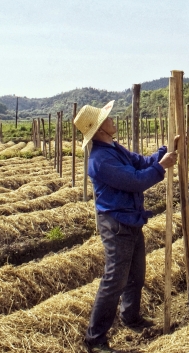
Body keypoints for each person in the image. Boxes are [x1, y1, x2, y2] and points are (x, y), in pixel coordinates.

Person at [74, 101, 179, 353]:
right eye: (107, 118)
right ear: (100, 128)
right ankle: (95, 339)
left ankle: (131, 317)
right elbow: (135, 181)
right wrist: (162, 167)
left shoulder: (114, 148)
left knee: (136, 274)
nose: (112, 119)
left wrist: (166, 149)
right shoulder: (100, 160)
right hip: (116, 223)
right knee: (115, 279)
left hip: (130, 218)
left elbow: (141, 162)